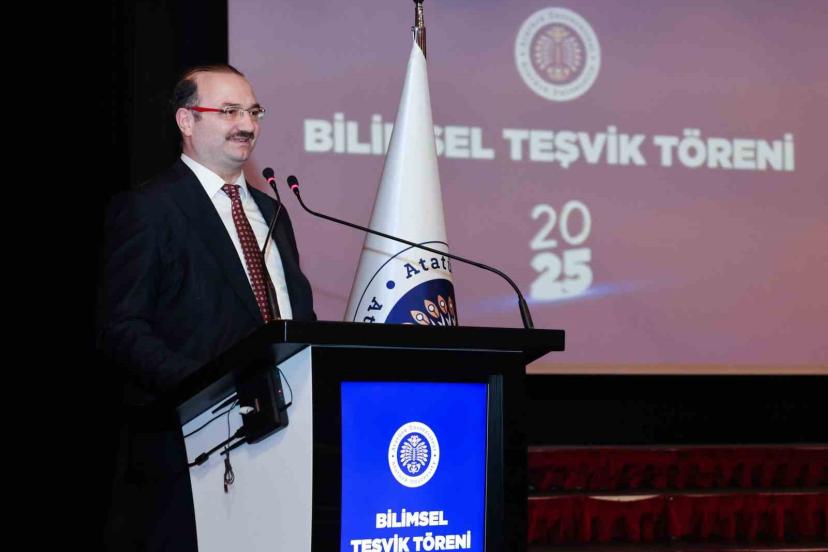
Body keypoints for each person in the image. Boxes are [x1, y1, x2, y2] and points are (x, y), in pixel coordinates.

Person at [99, 64, 315, 551]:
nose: (247, 125)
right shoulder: (150, 209)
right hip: (191, 451)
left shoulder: (272, 212)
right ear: (186, 121)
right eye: (229, 111)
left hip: (285, 441)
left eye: (254, 112)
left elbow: (294, 319)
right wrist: (206, 393)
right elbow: (122, 327)